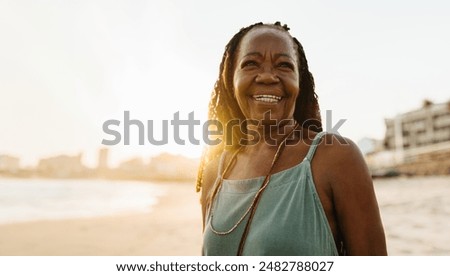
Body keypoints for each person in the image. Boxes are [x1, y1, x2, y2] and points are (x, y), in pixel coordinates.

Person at [196, 22, 387, 256]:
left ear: (300, 81)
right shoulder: (214, 174)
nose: (267, 76)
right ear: (230, 79)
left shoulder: (336, 158)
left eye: (284, 65)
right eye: (250, 64)